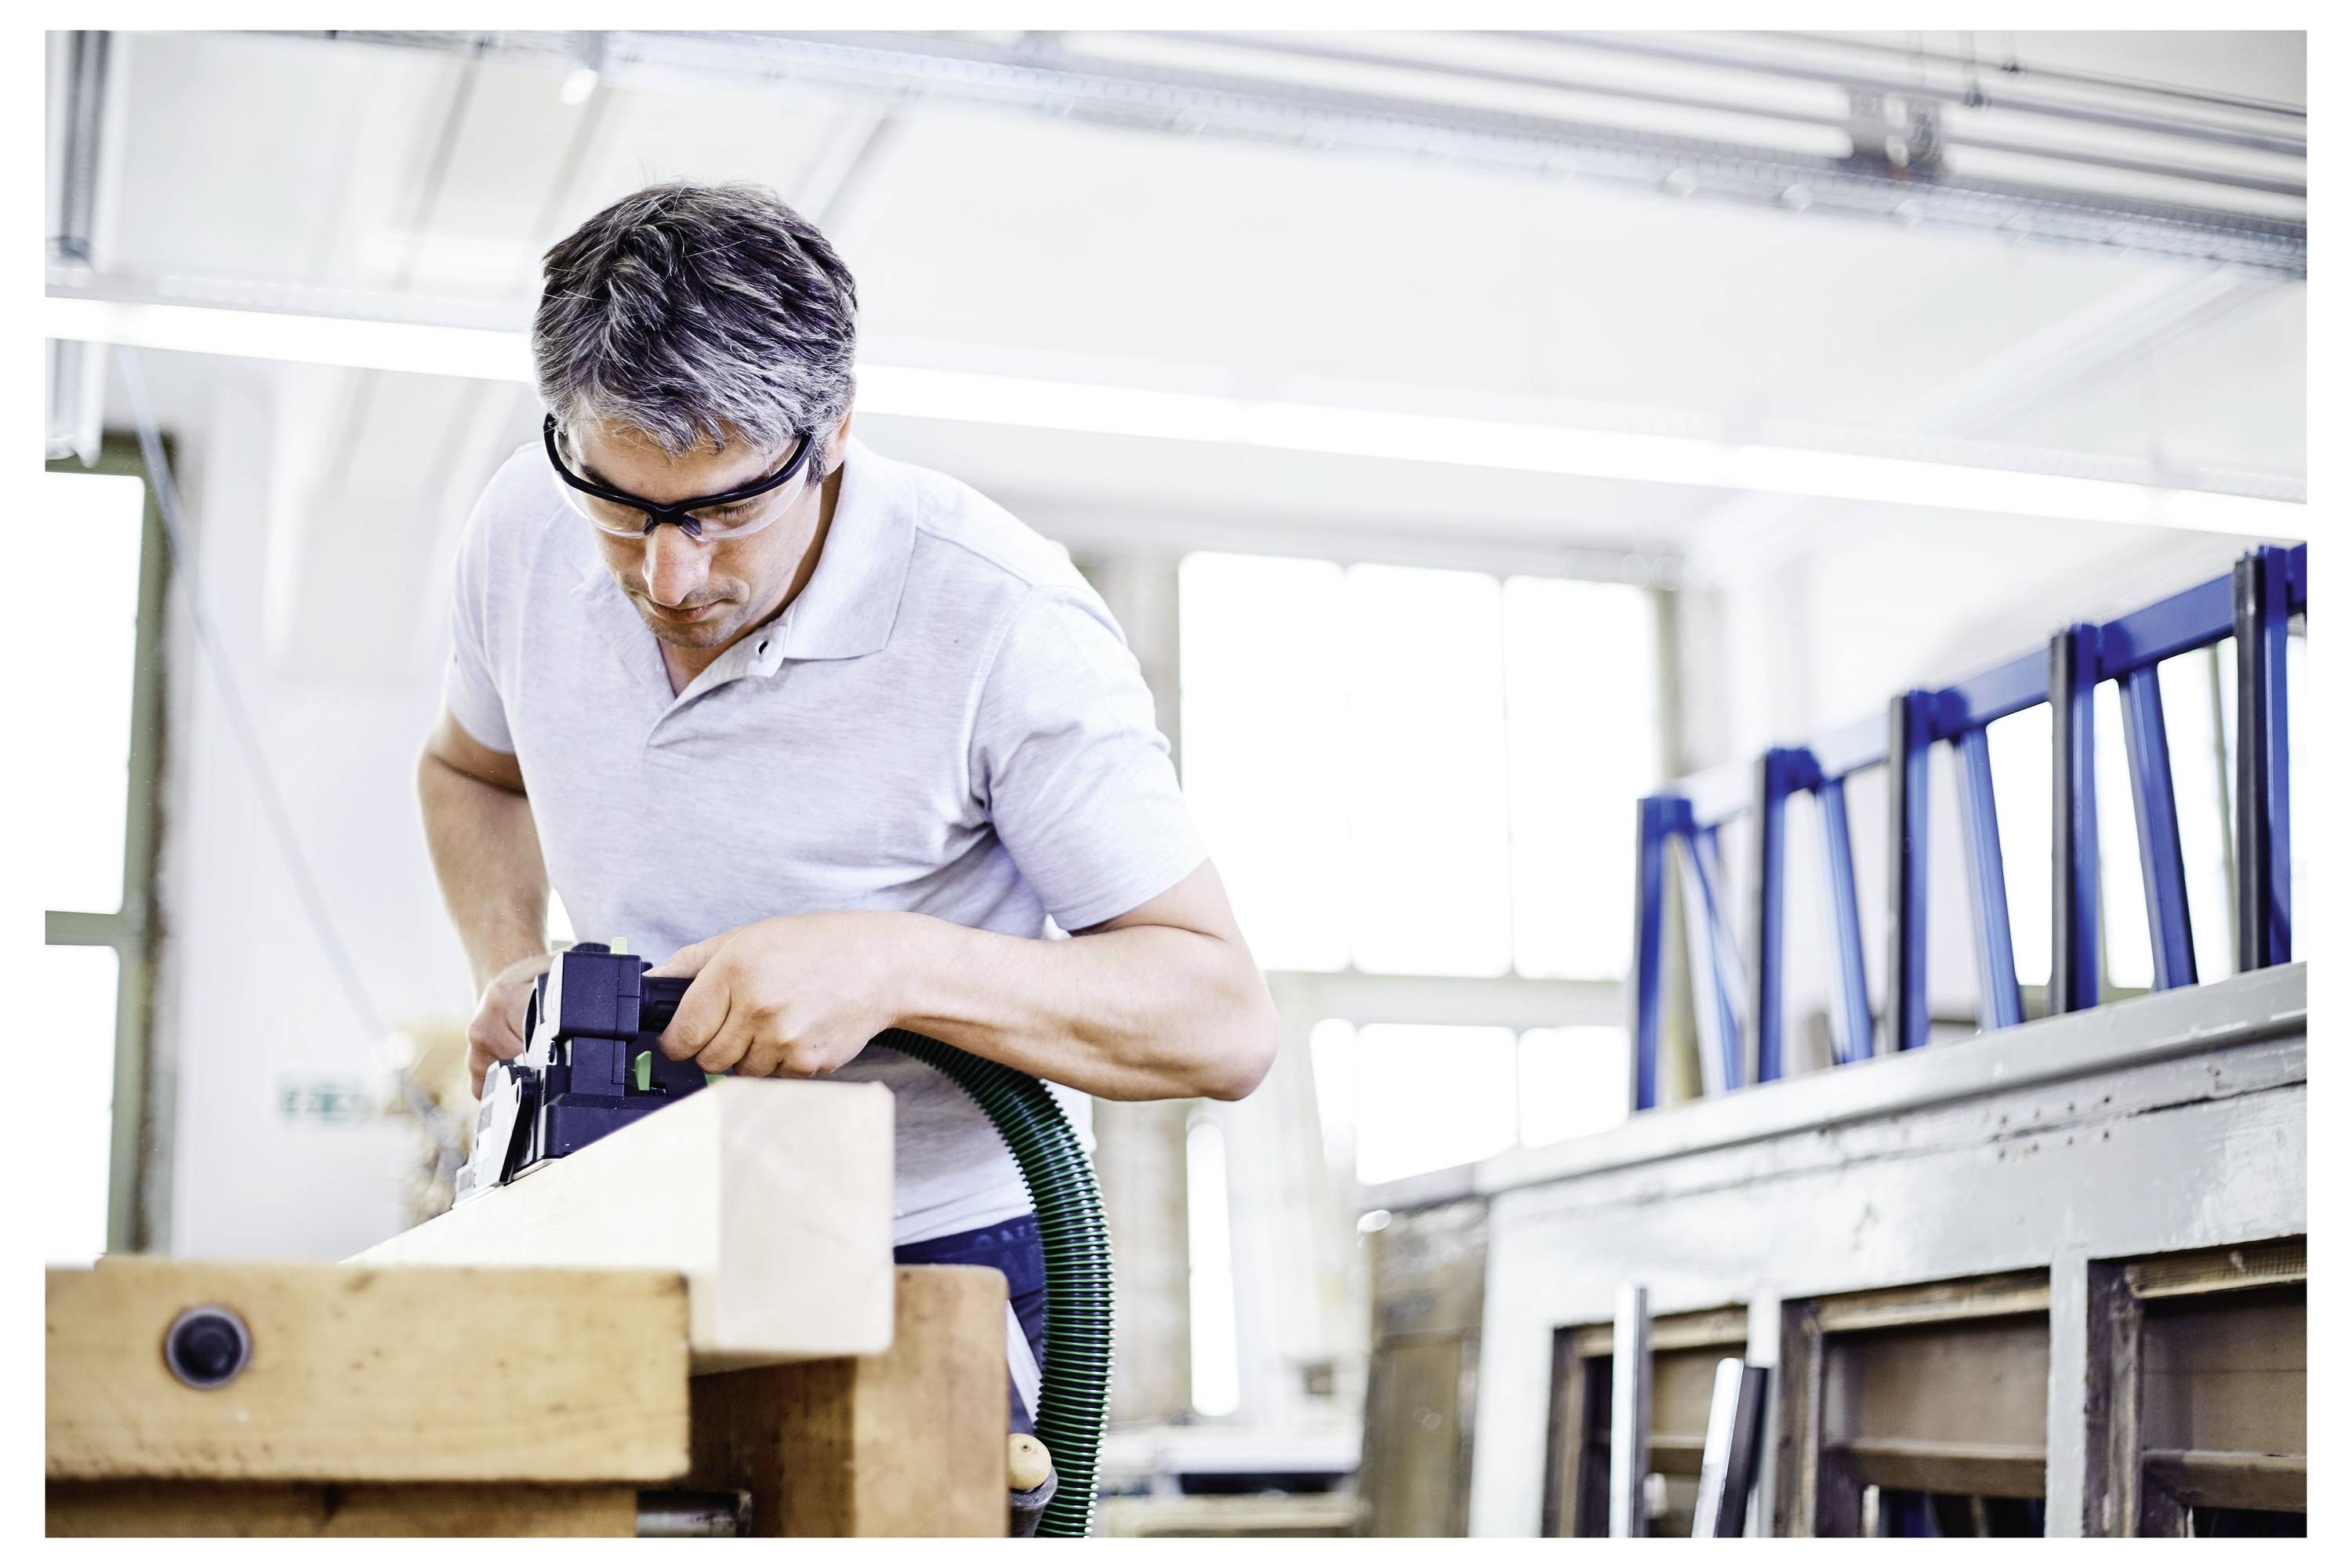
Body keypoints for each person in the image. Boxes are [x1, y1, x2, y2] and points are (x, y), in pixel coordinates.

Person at [416, 183, 1279, 1531]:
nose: (667, 574)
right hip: (623, 1224)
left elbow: (1219, 1021)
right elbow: (471, 776)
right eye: (621, 507)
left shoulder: (1002, 622)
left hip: (923, 1250)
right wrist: (513, 959)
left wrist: (893, 964)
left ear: (831, 436)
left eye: (719, 512)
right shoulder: (520, 532)